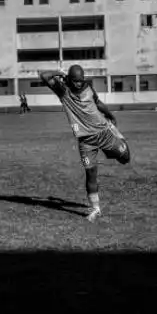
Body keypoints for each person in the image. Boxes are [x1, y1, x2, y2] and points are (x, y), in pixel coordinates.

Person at [39, 65, 131, 222]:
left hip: (104, 133)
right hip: (85, 142)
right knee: (90, 173)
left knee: (125, 158)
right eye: (75, 81)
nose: (78, 84)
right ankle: (96, 209)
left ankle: (118, 138)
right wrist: (59, 73)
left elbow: (98, 103)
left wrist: (110, 115)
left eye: (81, 81)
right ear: (69, 79)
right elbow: (44, 75)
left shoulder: (88, 89)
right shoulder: (63, 90)